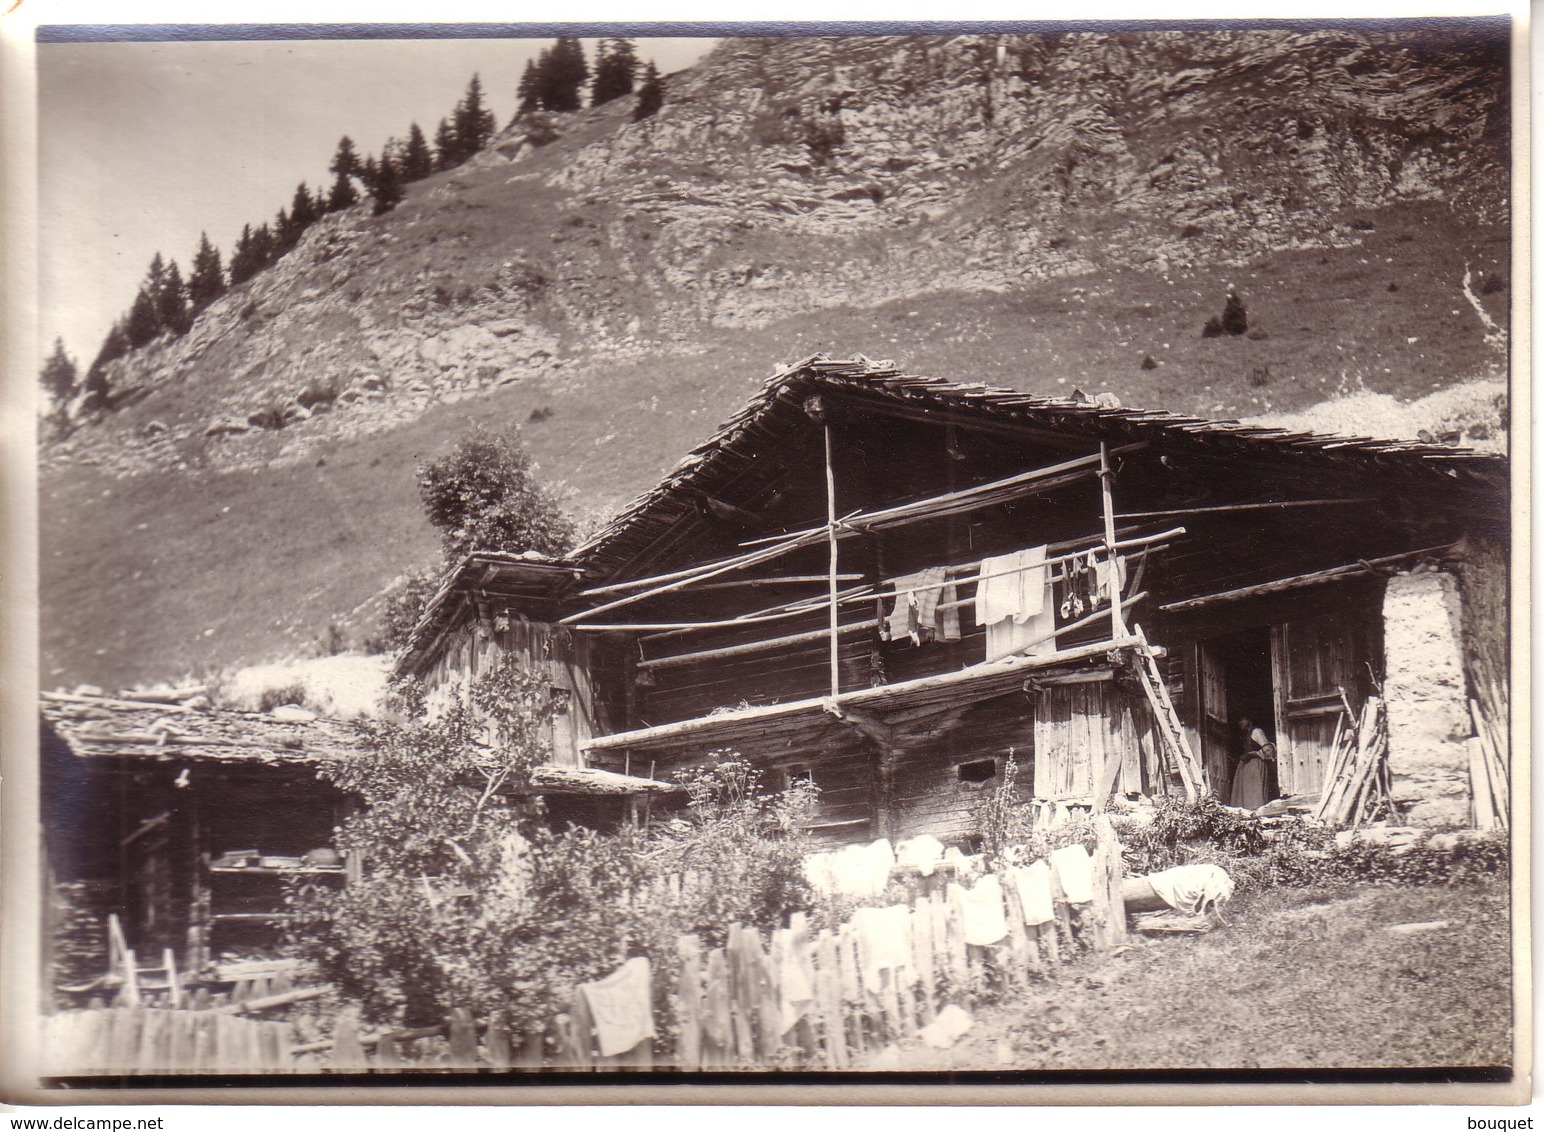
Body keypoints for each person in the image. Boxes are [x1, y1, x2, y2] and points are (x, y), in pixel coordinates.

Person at [1229, 716, 1277, 810]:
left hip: (1256, 765)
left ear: (1249, 720)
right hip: (1247, 766)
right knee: (1246, 791)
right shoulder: (1246, 735)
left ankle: (1257, 812)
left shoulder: (1256, 732)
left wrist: (1253, 754)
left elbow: (1268, 751)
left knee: (1254, 790)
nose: (1240, 723)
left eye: (1242, 720)